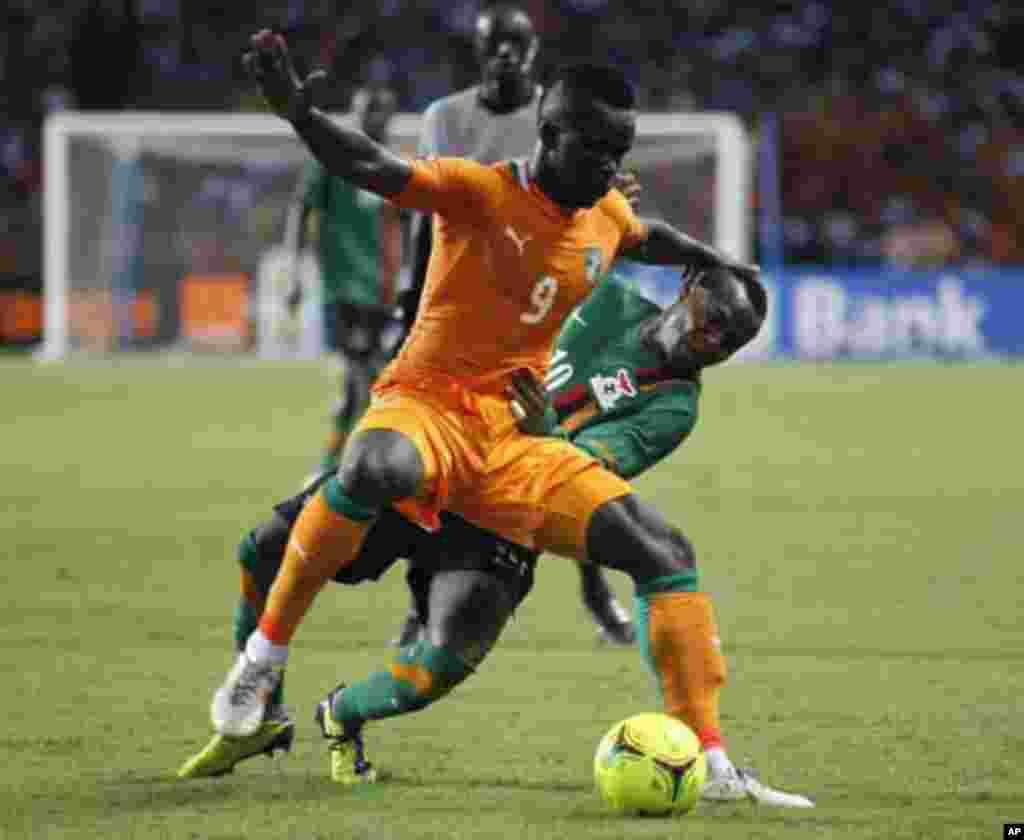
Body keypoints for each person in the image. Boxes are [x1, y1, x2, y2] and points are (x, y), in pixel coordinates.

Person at [221, 30, 796, 804]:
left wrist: (715, 258)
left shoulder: (649, 335)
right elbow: (373, 165)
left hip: (509, 462)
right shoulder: (493, 200)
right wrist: (300, 116)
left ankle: (715, 762)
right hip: (429, 417)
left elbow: (640, 233)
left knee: (637, 561)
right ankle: (260, 670)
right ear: (552, 135)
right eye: (597, 151)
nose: (610, 170)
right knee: (288, 529)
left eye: (619, 152)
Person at [179, 263, 813, 807]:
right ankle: (261, 712)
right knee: (263, 551)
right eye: (711, 316)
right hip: (441, 444)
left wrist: (546, 432)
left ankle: (341, 713)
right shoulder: (605, 296)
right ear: (689, 285)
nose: (710, 338)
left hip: (501, 512)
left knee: (432, 670)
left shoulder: (674, 405)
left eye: (729, 341)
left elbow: (582, 478)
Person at [394, 2, 636, 648]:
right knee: (437, 457)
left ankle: (594, 586)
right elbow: (427, 210)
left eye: (515, 43)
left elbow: (589, 198)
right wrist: (406, 294)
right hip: (463, 319)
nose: (503, 53)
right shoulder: (444, 118)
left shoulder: (558, 113)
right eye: (492, 43)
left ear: (532, 53)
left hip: (551, 318)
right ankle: (424, 598)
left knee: (565, 441)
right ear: (478, 52)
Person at [284, 82, 403, 473]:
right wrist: (294, 273)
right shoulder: (330, 161)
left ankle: (350, 463)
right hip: (346, 291)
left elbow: (408, 226)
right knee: (361, 380)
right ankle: (334, 465)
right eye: (367, 111)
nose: (375, 121)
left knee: (372, 384)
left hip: (385, 294)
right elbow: (301, 210)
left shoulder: (394, 166)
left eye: (381, 112)